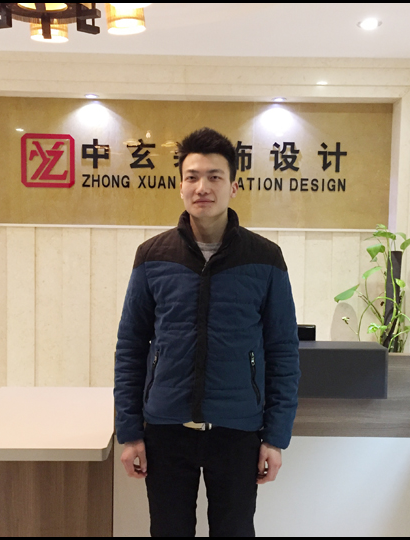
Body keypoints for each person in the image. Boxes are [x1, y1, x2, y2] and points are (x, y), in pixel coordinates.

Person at [114, 127, 300, 537]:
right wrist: (130, 432)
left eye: (215, 176)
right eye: (192, 176)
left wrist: (275, 438)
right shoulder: (152, 256)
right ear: (180, 186)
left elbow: (283, 351)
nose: (203, 187)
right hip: (165, 429)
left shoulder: (265, 258)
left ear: (233, 186)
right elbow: (130, 347)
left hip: (238, 429)